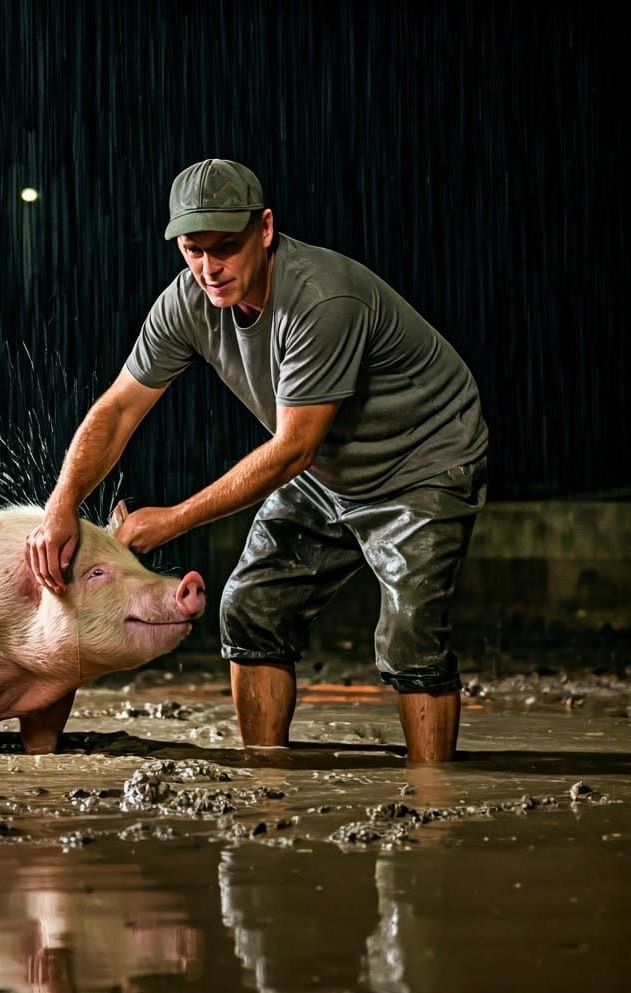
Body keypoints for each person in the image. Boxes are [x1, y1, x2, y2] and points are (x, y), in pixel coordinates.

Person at [24, 159, 488, 762]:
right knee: (250, 609)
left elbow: (293, 447)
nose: (210, 269)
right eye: (194, 251)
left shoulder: (320, 299)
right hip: (325, 471)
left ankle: (433, 796)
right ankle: (266, 781)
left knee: (409, 633)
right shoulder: (187, 302)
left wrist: (172, 520)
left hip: (423, 461)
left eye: (226, 248)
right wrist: (61, 504)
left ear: (265, 229)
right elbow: (117, 409)